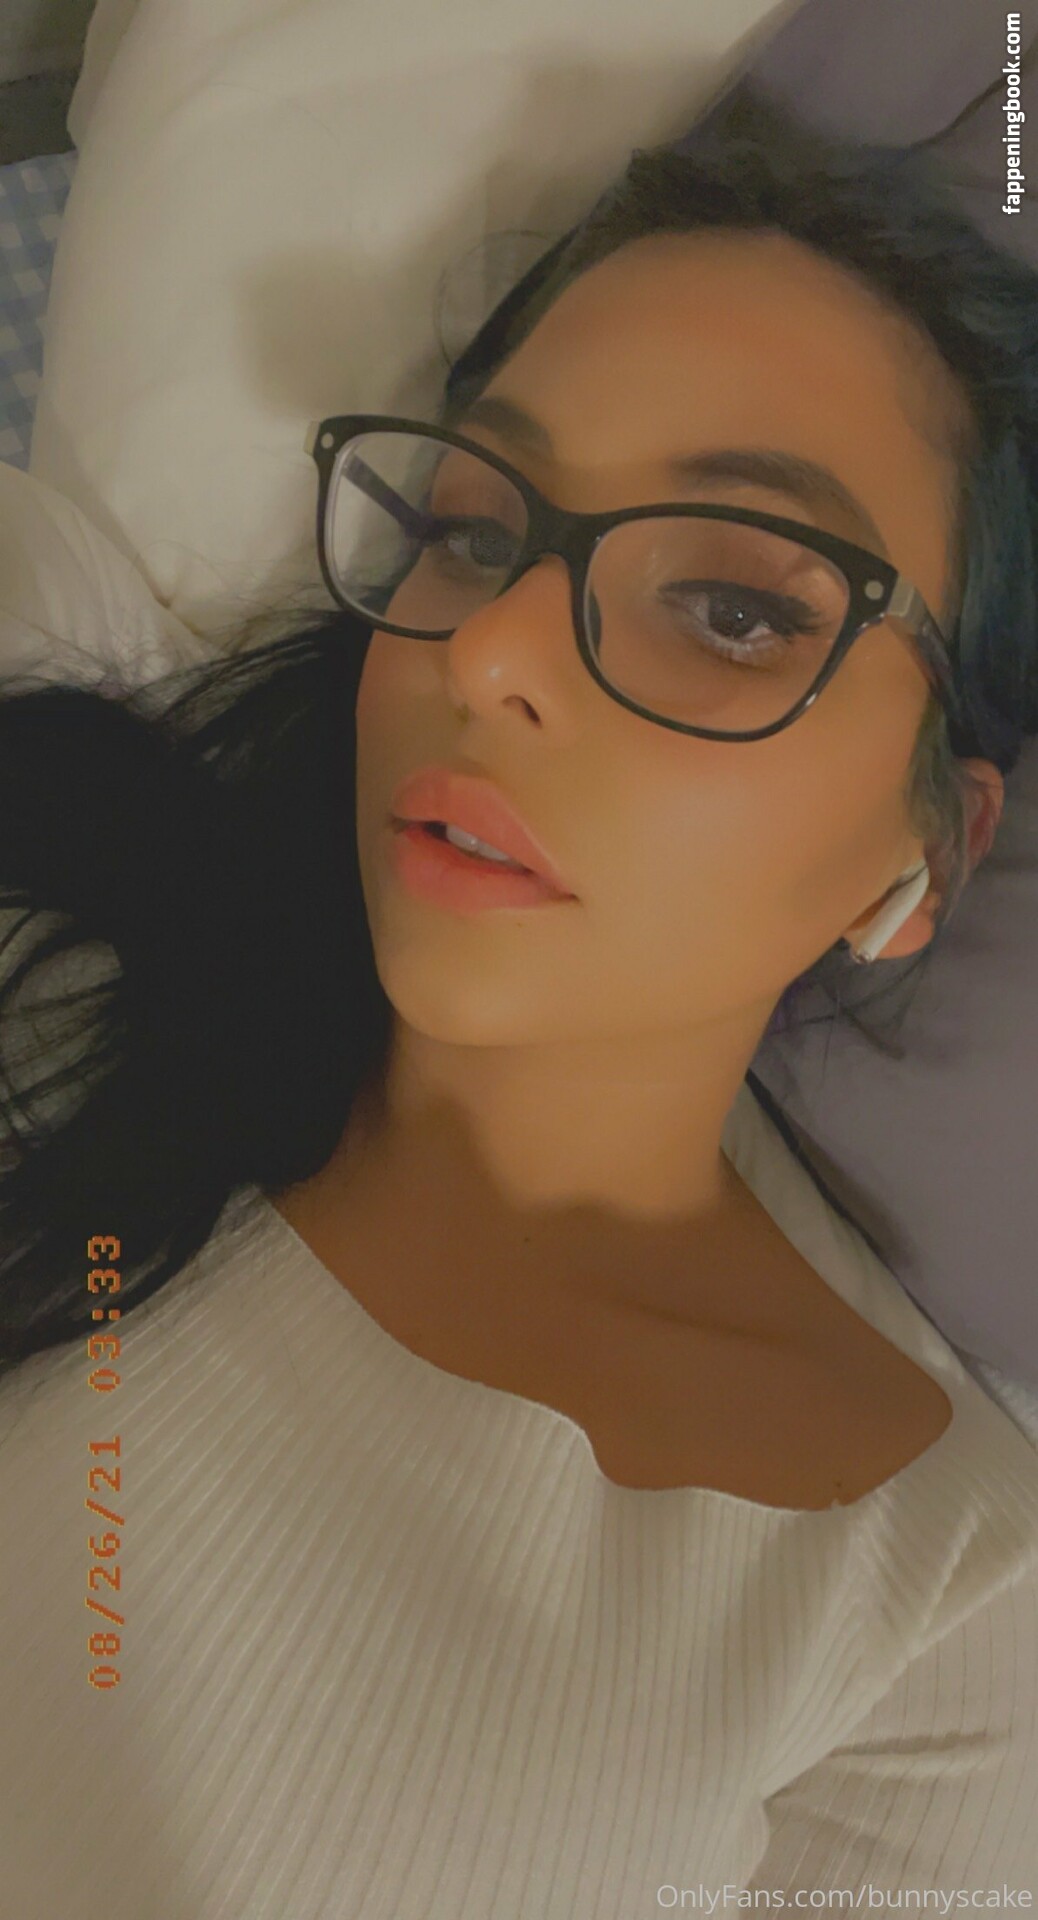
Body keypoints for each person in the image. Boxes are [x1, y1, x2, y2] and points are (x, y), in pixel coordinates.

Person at [1, 82, 1037, 1917]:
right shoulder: (66, 934)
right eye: (472, 528)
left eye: (732, 607)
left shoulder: (942, 1618)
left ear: (925, 852)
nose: (480, 651)